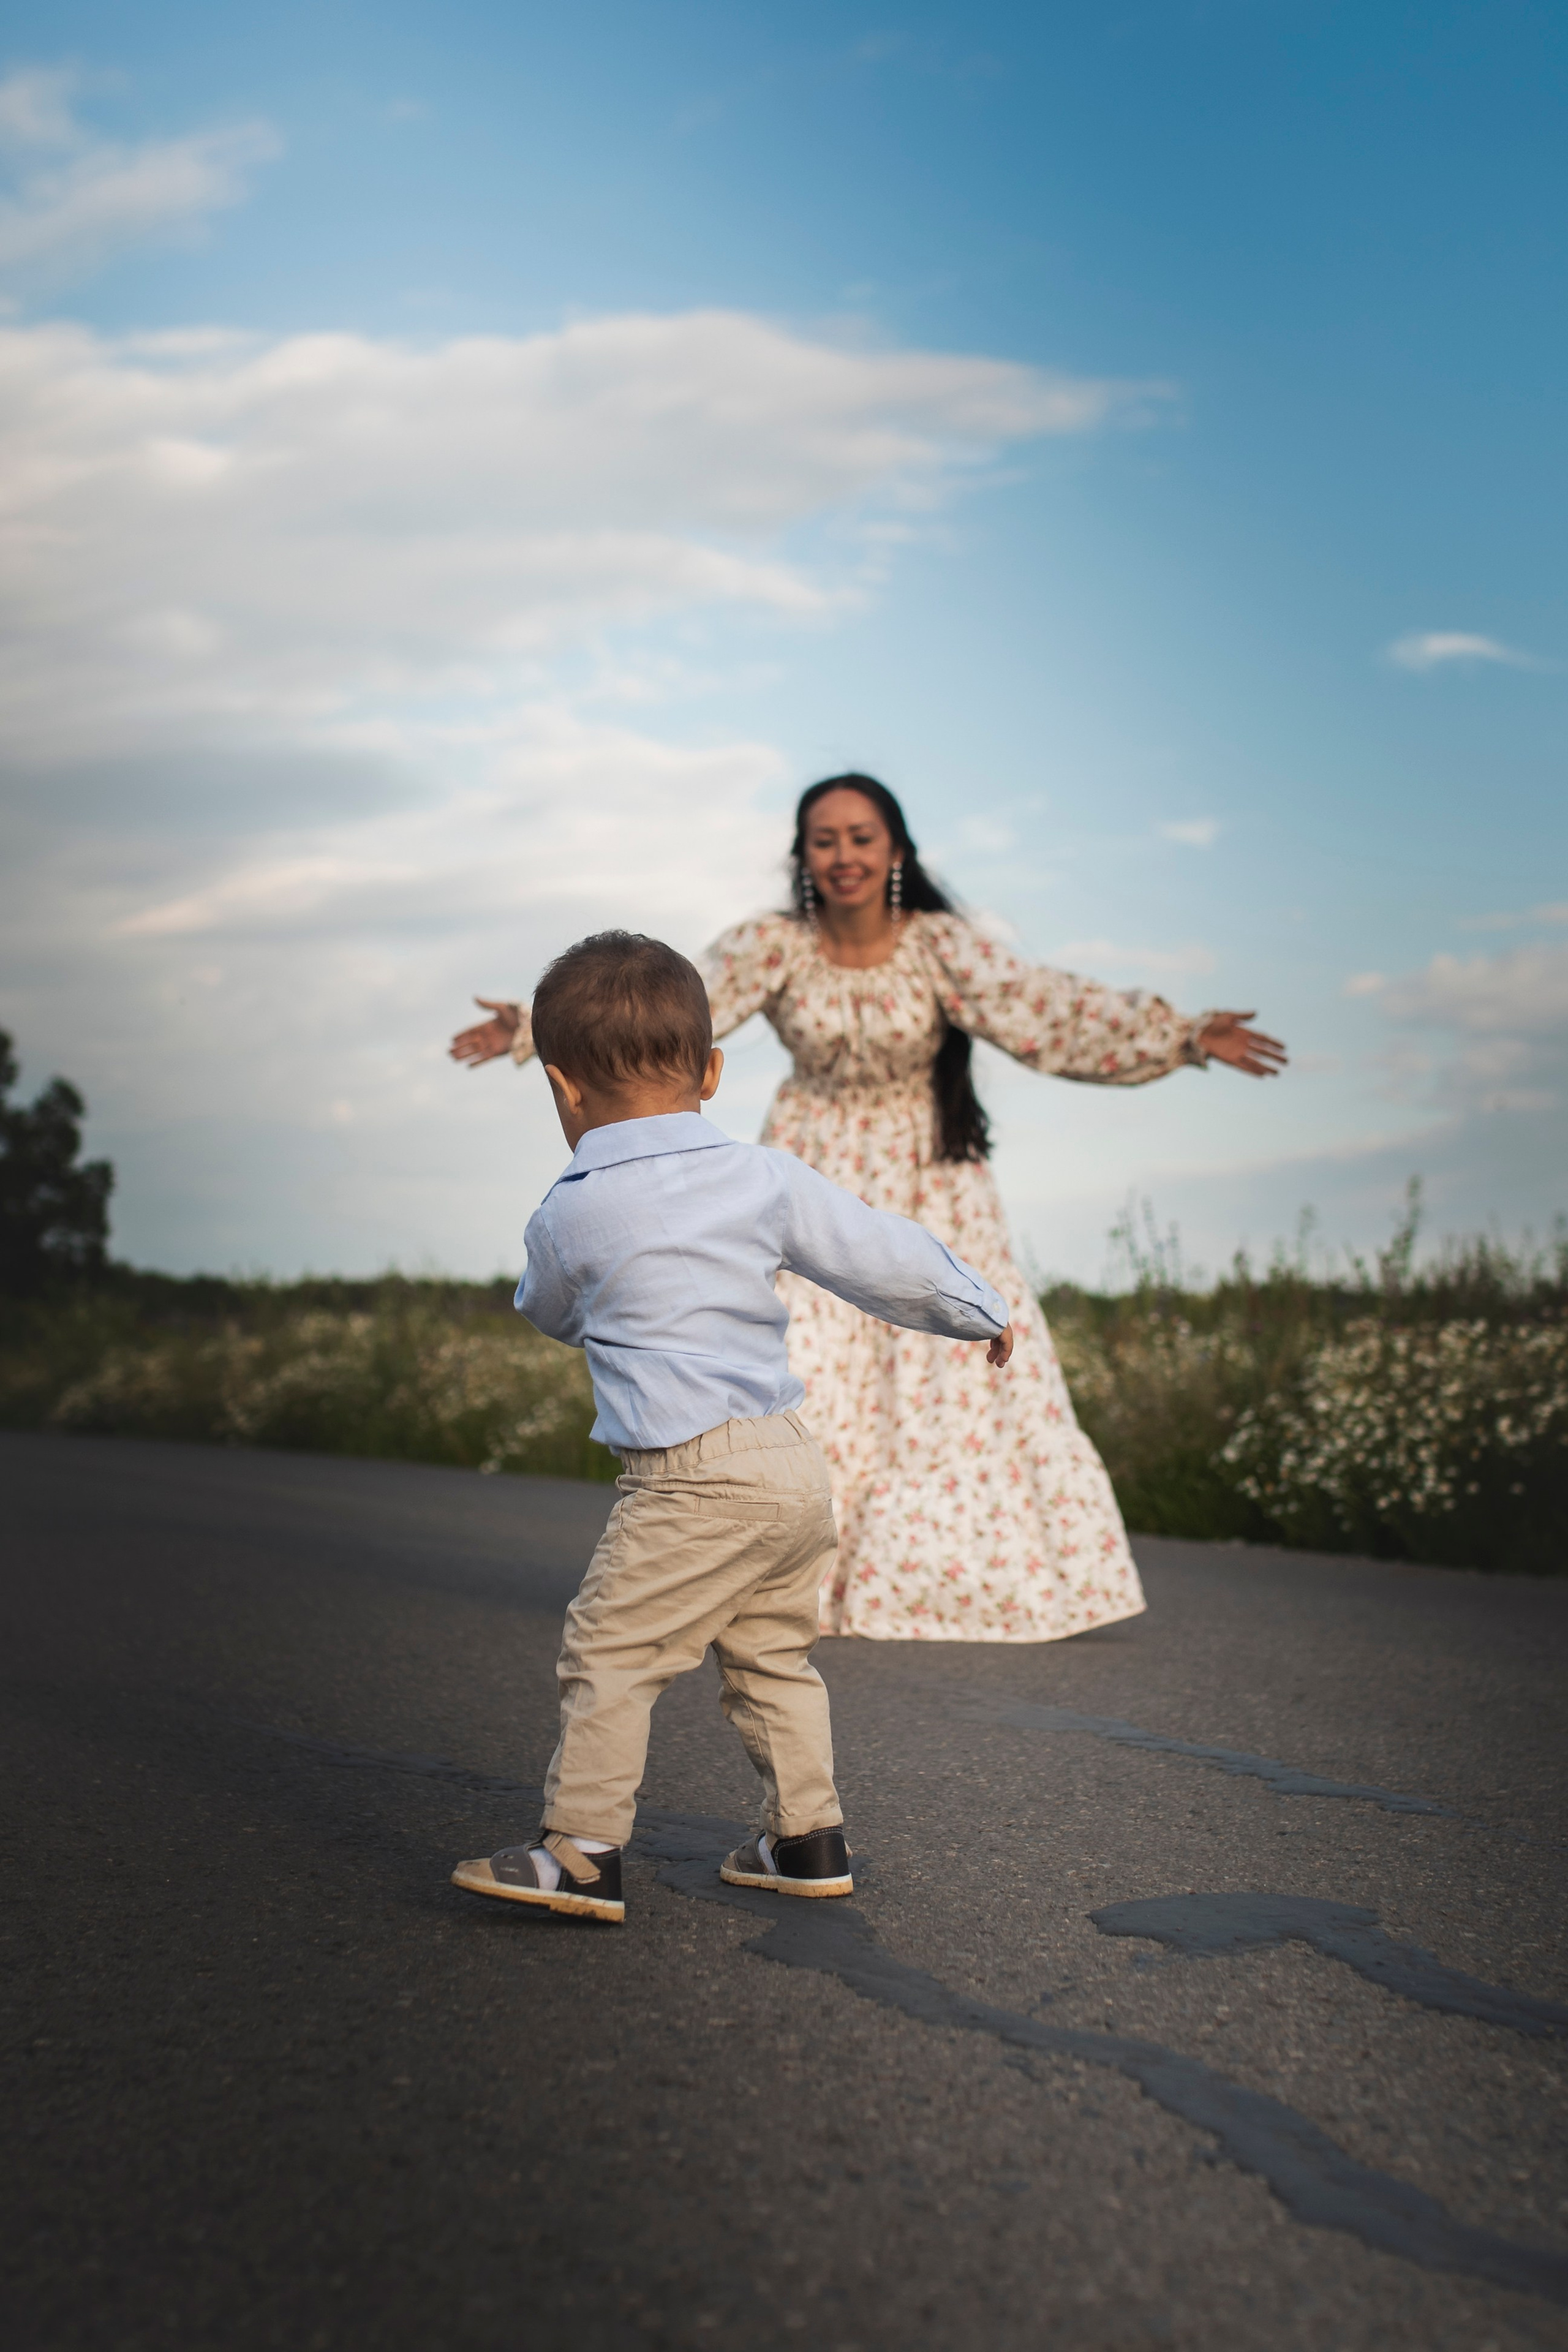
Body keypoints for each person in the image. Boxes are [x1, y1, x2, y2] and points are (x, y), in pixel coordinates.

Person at [451, 775, 1285, 1645]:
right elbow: (658, 1011)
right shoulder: (775, 946)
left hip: (928, 1175)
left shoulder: (939, 946)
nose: (843, 856)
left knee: (940, 1384)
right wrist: (529, 1029)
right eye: (824, 840)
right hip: (809, 1167)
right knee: (798, 1363)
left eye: (860, 837)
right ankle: (780, 1581)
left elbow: (1052, 1010)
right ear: (802, 856)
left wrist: (1182, 1036)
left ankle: (942, 1584)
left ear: (895, 851)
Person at [451, 930, 1013, 1923]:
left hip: (691, 1480)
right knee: (772, 1656)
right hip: (793, 1469)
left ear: (562, 1088)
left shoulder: (570, 1209)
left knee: (612, 1651)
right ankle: (806, 1838)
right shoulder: (765, 1176)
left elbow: (545, 1307)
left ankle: (581, 1850)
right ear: (711, 1071)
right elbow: (880, 1255)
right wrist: (976, 1309)